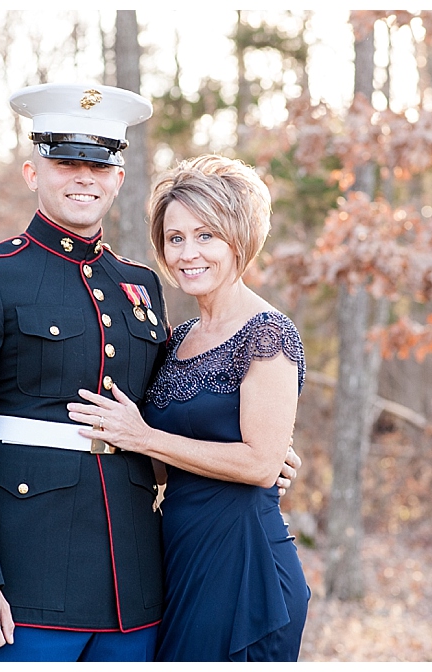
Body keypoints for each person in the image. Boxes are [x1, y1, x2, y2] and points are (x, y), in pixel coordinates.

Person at [0, 84, 299, 662]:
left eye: (98, 164)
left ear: (117, 178)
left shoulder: (140, 288)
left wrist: (254, 460)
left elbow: (158, 420)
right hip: (30, 581)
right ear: (31, 171)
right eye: (65, 161)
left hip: (139, 588)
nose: (83, 177)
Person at [67, 154, 311, 661]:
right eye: (175, 239)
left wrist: (144, 436)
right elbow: (162, 467)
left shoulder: (268, 333)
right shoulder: (176, 340)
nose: (187, 253)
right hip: (177, 556)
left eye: (206, 236)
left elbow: (262, 465)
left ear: (238, 241)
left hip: (244, 565)